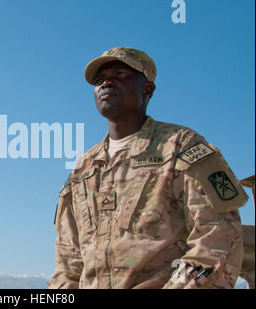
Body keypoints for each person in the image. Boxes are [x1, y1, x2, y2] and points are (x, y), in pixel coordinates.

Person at [49, 47, 248, 289]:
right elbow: (68, 259)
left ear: (147, 89)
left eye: (120, 74)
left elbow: (217, 237)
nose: (106, 83)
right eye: (99, 80)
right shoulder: (83, 169)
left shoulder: (180, 146)